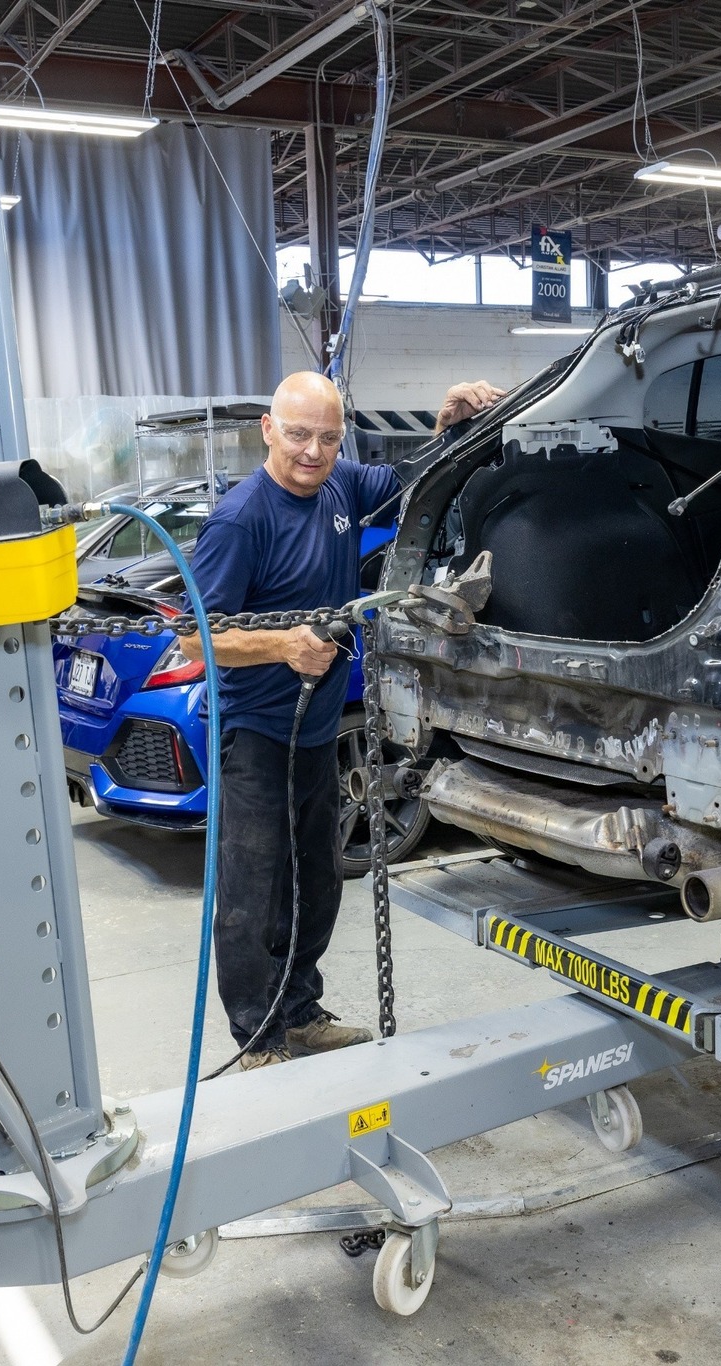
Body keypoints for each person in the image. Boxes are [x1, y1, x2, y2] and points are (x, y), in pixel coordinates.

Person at [190, 370, 497, 1070]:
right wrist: (280, 644)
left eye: (328, 438)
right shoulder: (241, 520)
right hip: (256, 736)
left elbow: (410, 481)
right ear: (268, 430)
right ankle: (257, 1039)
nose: (313, 452)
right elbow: (191, 638)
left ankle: (298, 1011)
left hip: (318, 731)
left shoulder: (340, 486)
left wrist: (445, 430)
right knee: (252, 891)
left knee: (318, 879)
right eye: (299, 435)